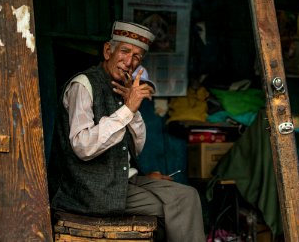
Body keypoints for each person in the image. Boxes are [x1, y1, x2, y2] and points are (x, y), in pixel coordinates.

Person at [48, 20, 205, 242]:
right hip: (91, 190)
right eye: (124, 51)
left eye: (137, 57)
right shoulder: (83, 85)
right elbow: (82, 147)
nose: (129, 62)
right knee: (178, 207)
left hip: (123, 180)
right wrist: (127, 109)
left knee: (188, 195)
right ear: (107, 51)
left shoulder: (122, 89)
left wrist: (132, 109)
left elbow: (137, 147)